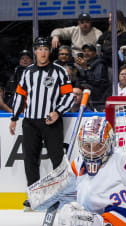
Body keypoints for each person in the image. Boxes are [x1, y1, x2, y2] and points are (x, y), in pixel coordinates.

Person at [9, 37, 74, 210]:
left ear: (49, 51)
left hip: (51, 122)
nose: (43, 52)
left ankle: (61, 196)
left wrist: (57, 112)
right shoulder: (27, 72)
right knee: (30, 160)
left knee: (57, 160)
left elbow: (68, 96)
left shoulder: (59, 71)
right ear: (35, 51)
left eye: (45, 49)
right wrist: (15, 118)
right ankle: (34, 197)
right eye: (39, 49)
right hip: (30, 122)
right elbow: (20, 96)